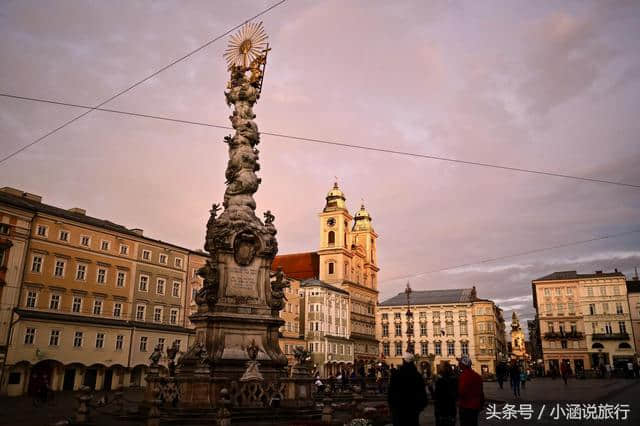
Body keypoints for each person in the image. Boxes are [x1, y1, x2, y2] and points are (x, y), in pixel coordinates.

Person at [388, 352, 428, 426]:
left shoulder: (397, 374)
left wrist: (392, 407)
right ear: (413, 362)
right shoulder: (418, 376)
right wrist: (420, 407)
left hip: (399, 409)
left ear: (403, 361)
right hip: (414, 409)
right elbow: (423, 394)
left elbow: (391, 393)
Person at [457, 356, 484, 426]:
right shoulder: (477, 376)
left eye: (459, 363)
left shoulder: (463, 376)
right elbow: (481, 392)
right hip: (475, 406)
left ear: (463, 365)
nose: (458, 364)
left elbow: (461, 392)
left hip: (466, 406)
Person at [433, 362, 457, 426]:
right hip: (451, 408)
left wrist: (430, 388)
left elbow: (436, 395)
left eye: (440, 367)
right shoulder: (454, 378)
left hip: (442, 408)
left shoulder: (440, 380)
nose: (439, 368)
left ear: (444, 368)